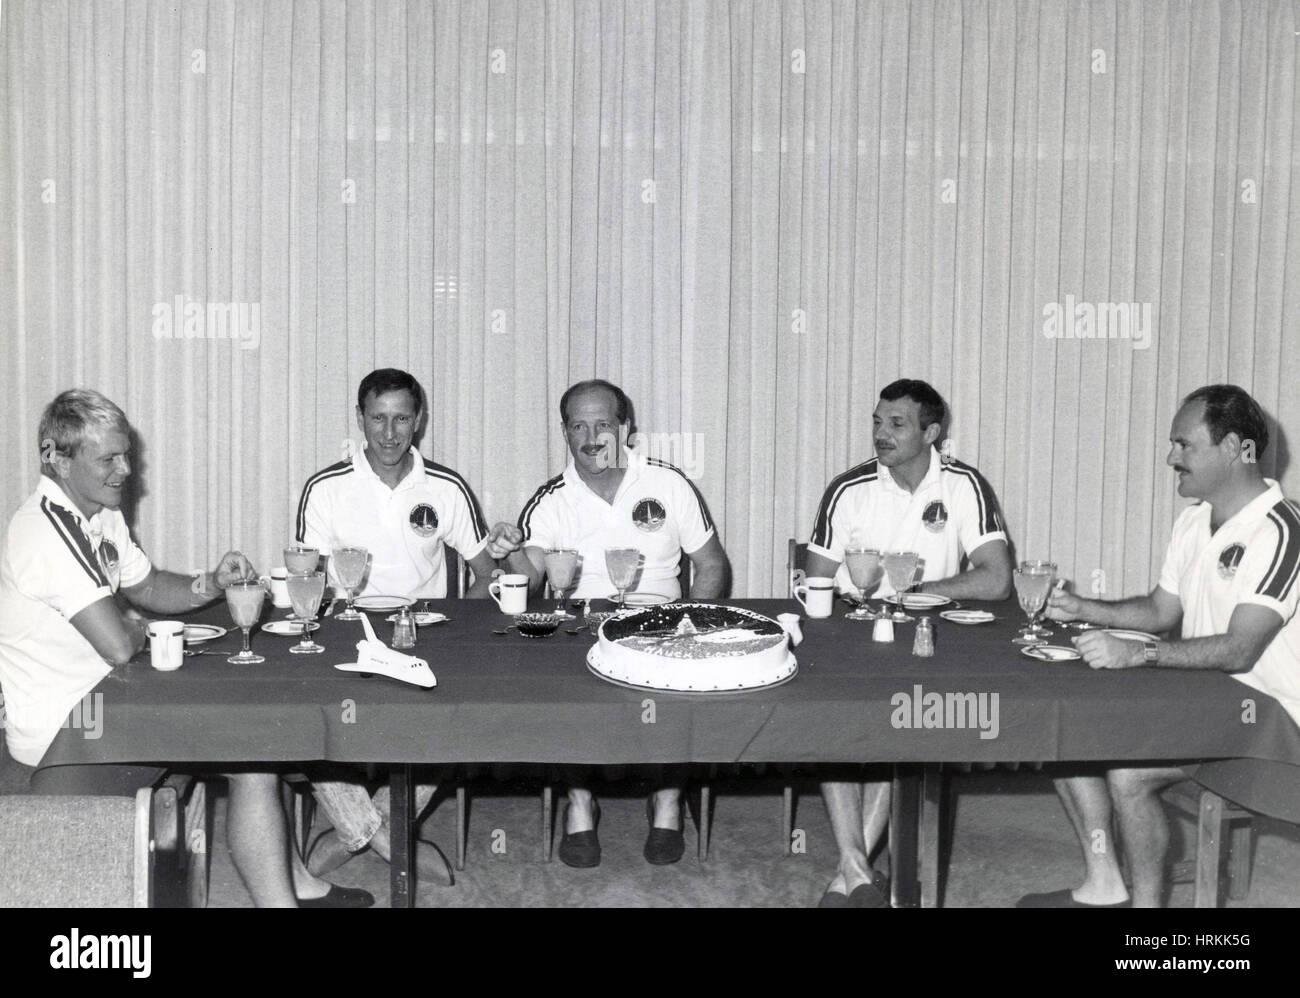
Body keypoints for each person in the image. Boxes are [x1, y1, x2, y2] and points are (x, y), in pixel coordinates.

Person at [0, 389, 359, 907]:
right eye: (108, 459)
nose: (124, 470)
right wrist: (140, 627)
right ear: (56, 458)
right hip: (70, 738)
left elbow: (145, 588)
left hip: (109, 705)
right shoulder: (43, 532)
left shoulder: (98, 513)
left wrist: (209, 583)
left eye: (126, 454)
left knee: (259, 731)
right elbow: (120, 645)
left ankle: (294, 882)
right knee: (254, 752)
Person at [1019, 384, 1299, 909]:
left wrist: (1139, 654)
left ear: (1239, 448)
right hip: (1211, 703)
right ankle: (1105, 883)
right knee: (1068, 732)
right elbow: (1160, 612)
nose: (1171, 457)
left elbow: (1240, 650)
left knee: (1128, 771)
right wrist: (1083, 609)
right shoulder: (1196, 518)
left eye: (1184, 444)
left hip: (1276, 725)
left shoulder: (1283, 531)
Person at [293, 368, 518, 883]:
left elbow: (489, 573)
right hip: (346, 634)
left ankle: (356, 833)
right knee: (305, 712)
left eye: (401, 418)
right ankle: (387, 841)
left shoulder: (447, 486)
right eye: (378, 418)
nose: (389, 433)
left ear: (418, 421)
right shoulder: (325, 487)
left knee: (459, 714)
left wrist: (455, 624)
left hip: (422, 634)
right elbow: (310, 579)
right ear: (359, 419)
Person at [500, 378, 730, 866]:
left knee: (681, 672)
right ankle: (580, 803)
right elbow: (530, 577)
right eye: (578, 425)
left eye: (602, 424)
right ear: (564, 431)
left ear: (625, 427)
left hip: (659, 625)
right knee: (561, 672)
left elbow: (711, 565)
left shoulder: (669, 484)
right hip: (582, 630)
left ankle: (666, 797)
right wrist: (511, 552)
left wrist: (691, 625)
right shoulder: (552, 498)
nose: (591, 437)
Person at [804, 379, 1012, 906]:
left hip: (926, 639)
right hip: (852, 638)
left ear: (932, 432)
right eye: (877, 421)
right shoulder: (848, 488)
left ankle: (849, 873)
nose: (880, 433)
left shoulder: (964, 485)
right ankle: (853, 868)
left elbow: (996, 579)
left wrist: (916, 592)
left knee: (906, 725)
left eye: (896, 424)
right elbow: (816, 581)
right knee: (831, 719)